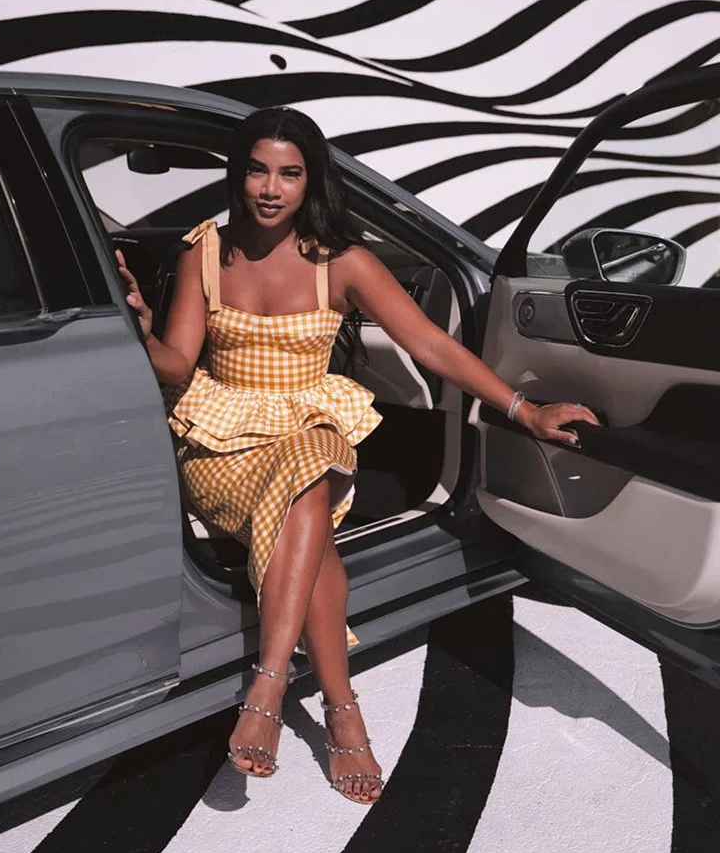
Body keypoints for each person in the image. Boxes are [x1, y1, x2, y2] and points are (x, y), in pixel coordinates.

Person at [117, 107, 599, 805]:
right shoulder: (204, 252)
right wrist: (138, 324)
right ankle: (342, 714)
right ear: (239, 174)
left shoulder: (344, 262)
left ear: (311, 181)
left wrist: (524, 409)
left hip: (307, 427)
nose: (271, 188)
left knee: (311, 468)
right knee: (312, 516)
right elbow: (175, 365)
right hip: (220, 444)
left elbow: (432, 347)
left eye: (290, 173)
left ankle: (271, 683)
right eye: (258, 170)